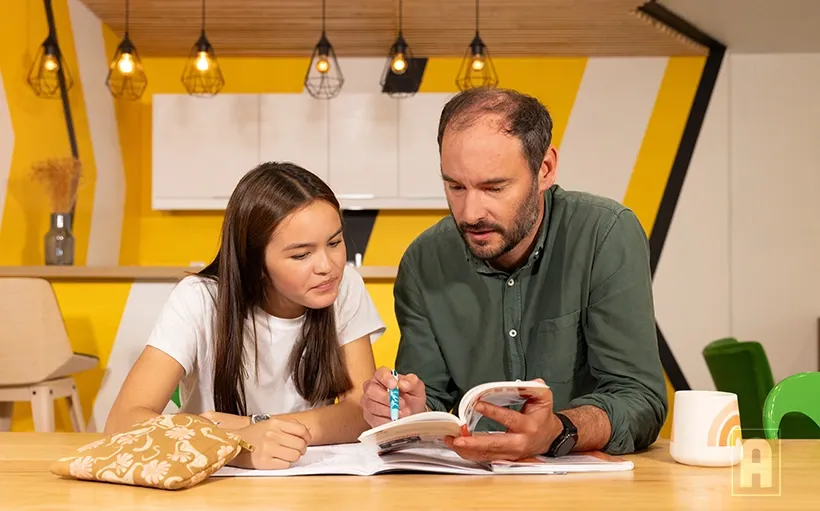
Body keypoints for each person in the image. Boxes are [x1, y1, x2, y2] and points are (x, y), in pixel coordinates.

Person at [360, 87, 668, 460]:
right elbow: (434, 403)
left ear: (545, 169)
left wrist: (559, 430)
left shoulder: (605, 235)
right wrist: (410, 413)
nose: (470, 212)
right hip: (470, 490)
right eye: (455, 186)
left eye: (494, 187)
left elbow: (639, 398)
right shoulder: (423, 262)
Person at [106, 162, 385, 470]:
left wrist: (250, 425)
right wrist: (239, 446)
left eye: (335, 242)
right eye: (302, 254)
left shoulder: (344, 287)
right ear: (254, 262)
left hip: (307, 481)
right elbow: (123, 421)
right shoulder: (199, 298)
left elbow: (361, 412)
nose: (327, 265)